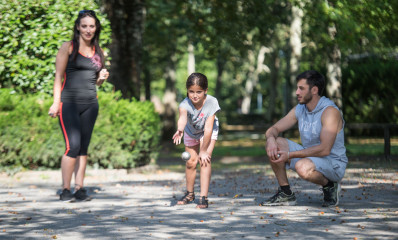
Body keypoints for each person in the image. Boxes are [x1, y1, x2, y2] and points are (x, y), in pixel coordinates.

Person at [48, 10, 109, 202]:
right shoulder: (68, 47)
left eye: (92, 26)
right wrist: (56, 102)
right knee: (72, 146)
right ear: (78, 27)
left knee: (83, 148)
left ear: (96, 28)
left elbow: (96, 82)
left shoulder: (100, 52)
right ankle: (65, 190)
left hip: (91, 104)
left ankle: (79, 189)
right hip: (70, 103)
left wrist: (101, 79)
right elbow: (58, 76)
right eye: (84, 26)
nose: (88, 30)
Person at [262, 70, 348, 207]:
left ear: (314, 90)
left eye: (301, 88)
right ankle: (286, 193)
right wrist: (270, 139)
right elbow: (273, 129)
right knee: (276, 143)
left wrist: (290, 155)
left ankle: (330, 185)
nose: (297, 92)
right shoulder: (300, 109)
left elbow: (324, 150)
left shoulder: (330, 112)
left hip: (333, 163)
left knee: (301, 167)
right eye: (297, 88)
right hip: (310, 157)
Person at [172, 73, 221, 209]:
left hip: (208, 132)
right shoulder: (184, 104)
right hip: (190, 131)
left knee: (204, 160)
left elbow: (208, 128)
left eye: (199, 92)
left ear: (205, 91)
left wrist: (204, 150)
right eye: (191, 91)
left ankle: (203, 197)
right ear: (187, 91)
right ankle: (189, 194)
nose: (195, 95)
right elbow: (182, 119)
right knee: (191, 162)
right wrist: (180, 129)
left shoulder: (212, 102)